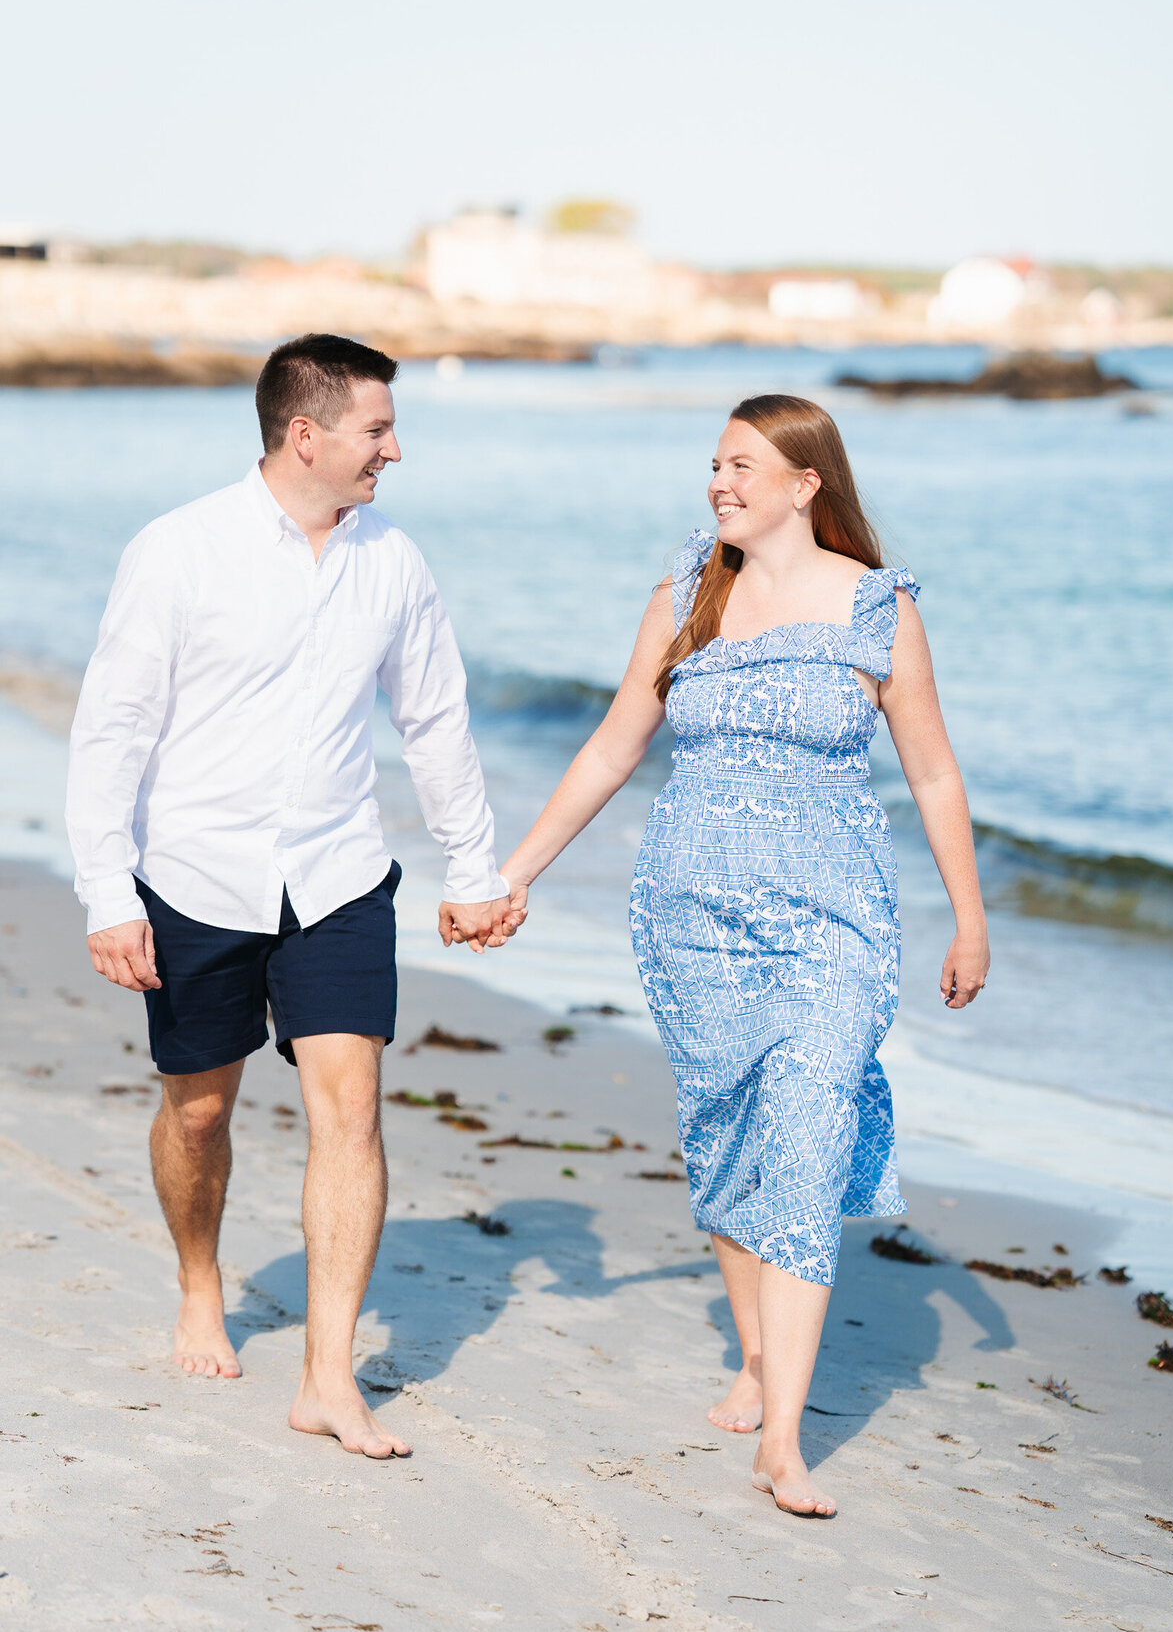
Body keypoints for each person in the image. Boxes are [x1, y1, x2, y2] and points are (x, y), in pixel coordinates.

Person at [498, 394, 989, 1517]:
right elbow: (618, 740)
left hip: (834, 918)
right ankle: (759, 1352)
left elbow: (934, 773)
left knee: (810, 1126)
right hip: (691, 912)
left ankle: (782, 1438)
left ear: (807, 481)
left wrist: (970, 915)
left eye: (742, 465)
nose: (719, 481)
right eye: (714, 463)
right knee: (726, 1128)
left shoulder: (880, 607)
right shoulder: (688, 593)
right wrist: (515, 871)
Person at [65, 333, 514, 1459]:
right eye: (377, 428)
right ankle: (200, 1280)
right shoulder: (179, 550)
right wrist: (106, 892)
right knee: (199, 1108)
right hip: (196, 878)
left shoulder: (395, 560)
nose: (394, 450)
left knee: (350, 1111)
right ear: (304, 433)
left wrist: (474, 869)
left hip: (338, 878)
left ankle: (326, 1375)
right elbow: (112, 728)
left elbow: (435, 722)